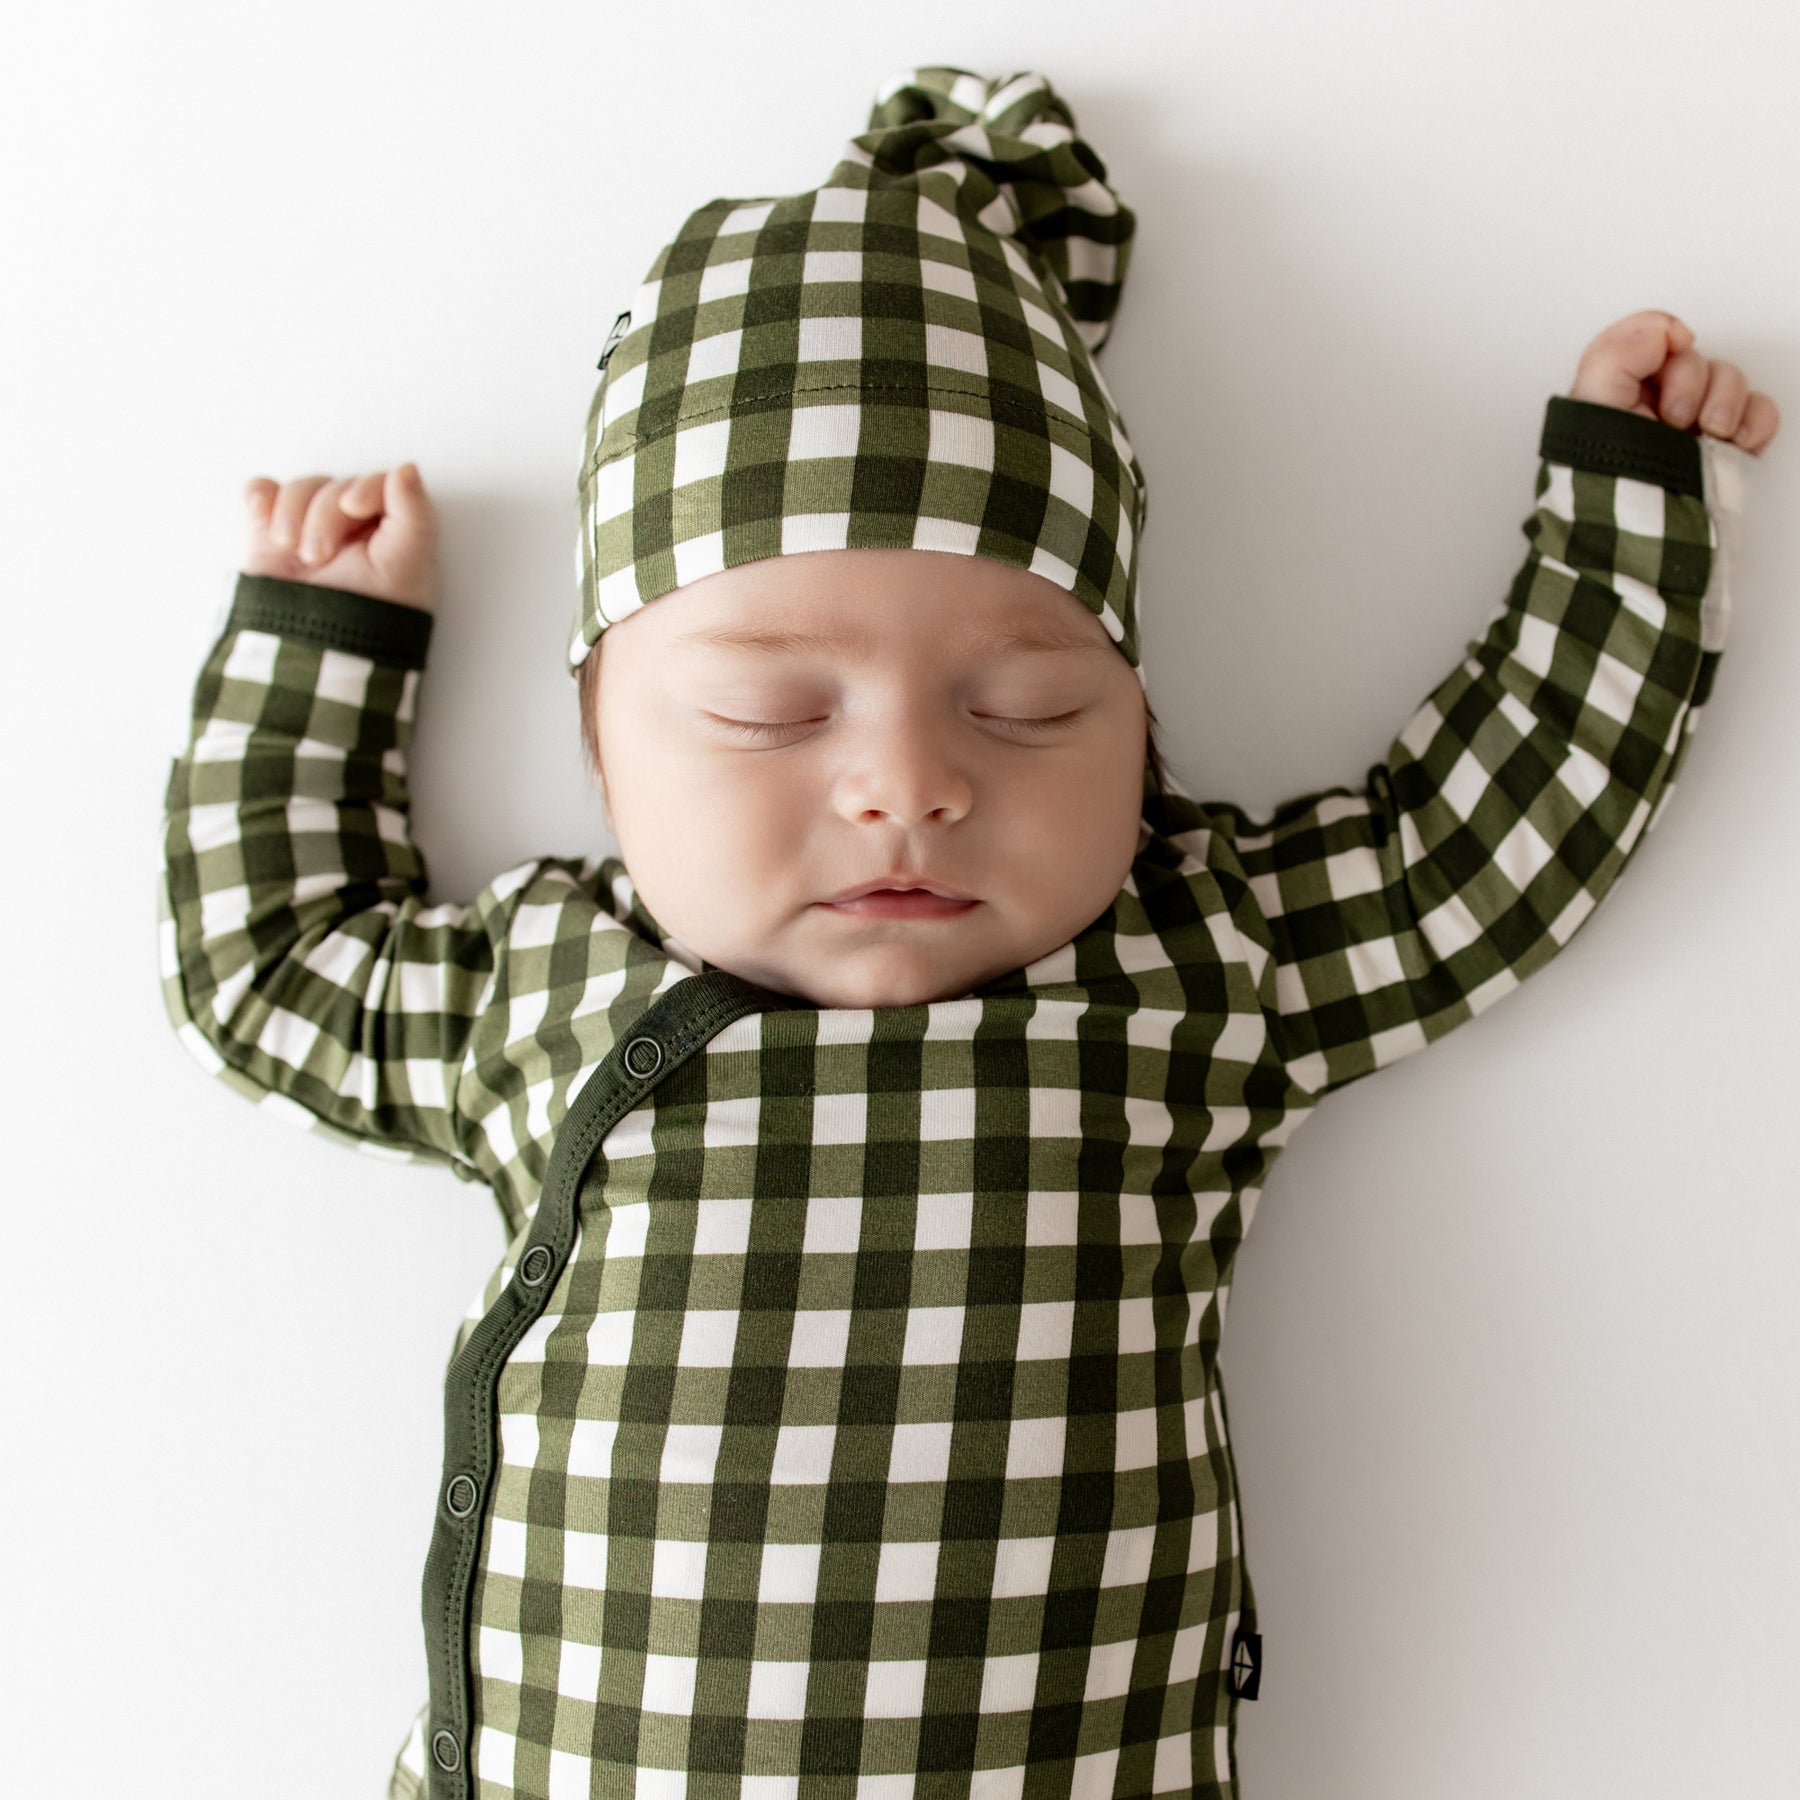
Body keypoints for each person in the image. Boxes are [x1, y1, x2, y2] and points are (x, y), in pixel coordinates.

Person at [159, 64, 1777, 1800]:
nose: (909, 787)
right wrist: (321, 651)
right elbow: (268, 971)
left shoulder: (1190, 971)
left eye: (1024, 709)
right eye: (776, 717)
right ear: (599, 748)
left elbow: (1478, 846)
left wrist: (1626, 522)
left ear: (1142, 729)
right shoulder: (541, 996)